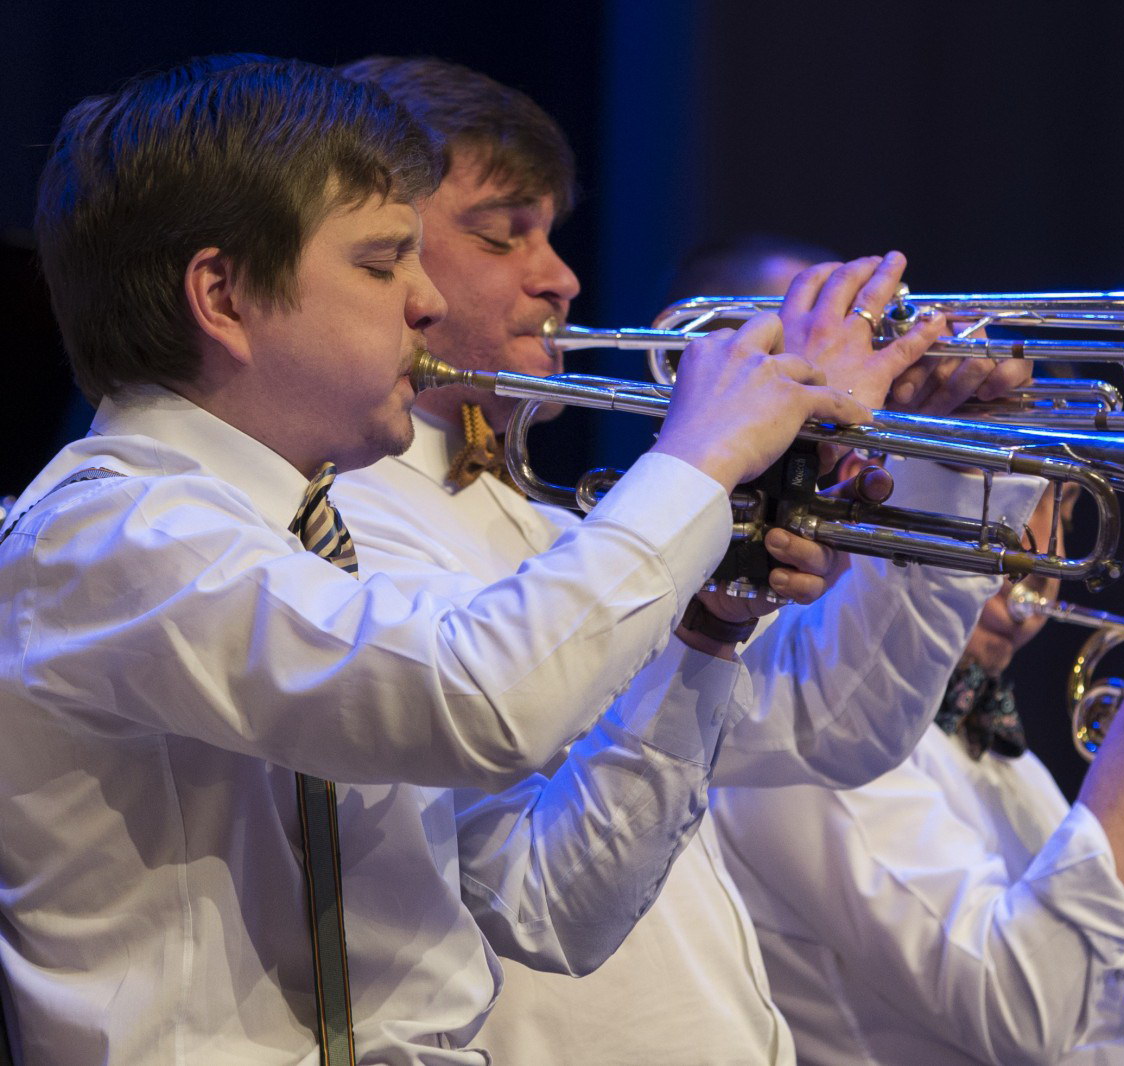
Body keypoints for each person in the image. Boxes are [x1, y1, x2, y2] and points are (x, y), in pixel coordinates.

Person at [0, 56, 873, 1063]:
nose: (423, 303)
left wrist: (703, 631)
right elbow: (482, 699)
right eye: (380, 263)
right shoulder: (110, 534)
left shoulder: (305, 545)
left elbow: (554, 907)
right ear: (223, 297)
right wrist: (699, 456)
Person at [332, 57, 1040, 1064]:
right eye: (503, 233)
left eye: (550, 233)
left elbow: (826, 721)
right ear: (380, 253)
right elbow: (542, 895)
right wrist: (708, 460)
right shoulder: (348, 524)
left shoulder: (533, 515)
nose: (561, 277)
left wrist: (943, 468)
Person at [712, 461, 1124, 1066]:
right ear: (870, 477)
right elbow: (1035, 1017)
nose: (1041, 572)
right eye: (1013, 510)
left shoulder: (1012, 771)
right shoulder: (807, 734)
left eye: (1068, 516)